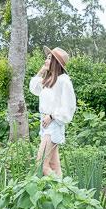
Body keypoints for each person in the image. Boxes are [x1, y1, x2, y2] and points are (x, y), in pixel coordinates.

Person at [29, 46, 77, 178]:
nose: (45, 60)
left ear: (56, 62)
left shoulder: (64, 81)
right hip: (45, 124)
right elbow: (34, 89)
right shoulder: (49, 80)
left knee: (42, 163)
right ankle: (61, 195)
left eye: (49, 58)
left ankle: (61, 189)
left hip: (54, 124)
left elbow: (69, 106)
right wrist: (42, 71)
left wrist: (52, 116)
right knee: (55, 166)